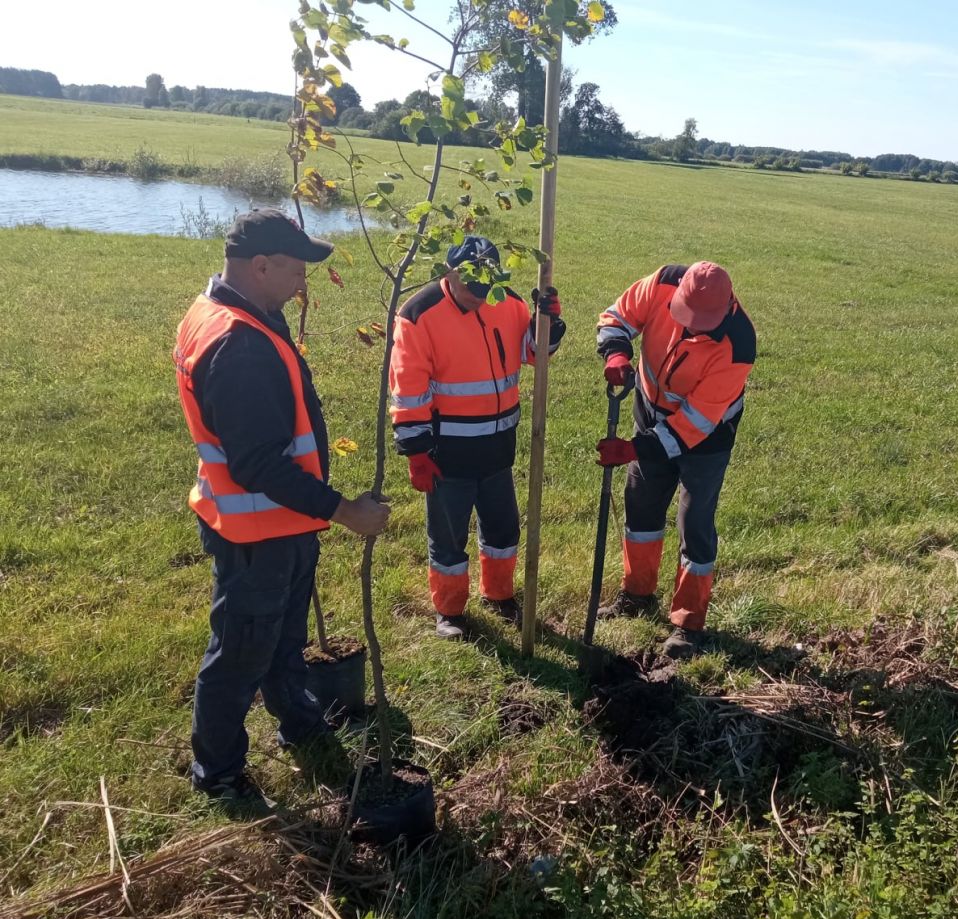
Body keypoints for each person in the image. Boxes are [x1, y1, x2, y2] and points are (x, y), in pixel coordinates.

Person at [173, 209, 390, 805]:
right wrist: (342, 509)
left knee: (282, 640)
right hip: (254, 532)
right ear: (260, 265)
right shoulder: (237, 344)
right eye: (295, 271)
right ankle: (217, 774)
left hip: (278, 525)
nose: (303, 284)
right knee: (239, 656)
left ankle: (299, 719)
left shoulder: (241, 313)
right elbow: (258, 464)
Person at [389, 235, 564, 640]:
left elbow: (533, 353)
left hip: (499, 447)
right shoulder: (419, 314)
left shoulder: (509, 301)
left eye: (486, 287)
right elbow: (408, 387)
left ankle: (500, 595)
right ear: (449, 273)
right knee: (448, 538)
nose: (479, 297)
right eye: (471, 287)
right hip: (447, 453)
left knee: (503, 531)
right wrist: (416, 451)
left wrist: (548, 325)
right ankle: (449, 611)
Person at [594, 261, 756, 659]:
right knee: (642, 505)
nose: (692, 327)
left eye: (702, 322)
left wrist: (636, 448)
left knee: (695, 521)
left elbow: (693, 425)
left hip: (707, 435)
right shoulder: (664, 281)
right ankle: (637, 595)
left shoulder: (738, 343)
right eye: (687, 316)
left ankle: (688, 624)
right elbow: (617, 316)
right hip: (650, 409)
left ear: (726, 308)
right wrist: (616, 353)